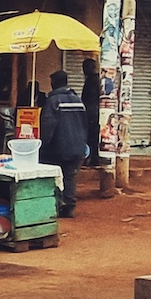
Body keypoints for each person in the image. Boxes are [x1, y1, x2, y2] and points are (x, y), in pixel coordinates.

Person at [39, 69, 88, 218]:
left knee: (54, 175)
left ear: (53, 83)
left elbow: (48, 127)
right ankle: (69, 206)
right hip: (78, 147)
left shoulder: (53, 102)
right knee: (70, 176)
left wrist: (43, 146)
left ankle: (58, 203)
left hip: (59, 148)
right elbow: (86, 124)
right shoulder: (79, 101)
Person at [81, 58, 101, 167]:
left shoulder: (93, 81)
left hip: (92, 114)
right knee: (92, 138)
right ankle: (92, 158)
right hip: (92, 113)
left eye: (85, 67)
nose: (84, 70)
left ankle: (93, 159)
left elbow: (91, 100)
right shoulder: (93, 80)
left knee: (92, 138)